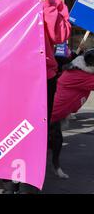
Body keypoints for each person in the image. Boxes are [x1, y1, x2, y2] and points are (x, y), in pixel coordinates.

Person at [1, 0, 71, 194]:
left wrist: (47, 6)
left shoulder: (51, 1)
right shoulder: (5, 1)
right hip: (11, 78)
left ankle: (30, 180)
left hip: (42, 77)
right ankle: (11, 179)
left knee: (34, 131)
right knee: (10, 129)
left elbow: (60, 36)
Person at [49, 48, 94, 179]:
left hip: (54, 114)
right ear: (90, 63)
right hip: (53, 116)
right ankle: (56, 167)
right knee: (55, 140)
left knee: (51, 142)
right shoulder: (80, 75)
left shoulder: (77, 70)